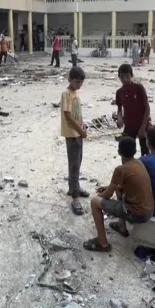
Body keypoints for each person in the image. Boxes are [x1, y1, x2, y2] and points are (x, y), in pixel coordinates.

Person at [83, 136, 154, 251]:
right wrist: (110, 187)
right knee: (119, 189)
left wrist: (99, 196)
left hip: (136, 214)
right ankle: (121, 226)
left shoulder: (120, 169)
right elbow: (126, 185)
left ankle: (102, 243)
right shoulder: (139, 163)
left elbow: (106, 195)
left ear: (119, 152)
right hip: (149, 211)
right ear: (135, 151)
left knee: (94, 202)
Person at [61, 66, 88, 215]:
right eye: (77, 82)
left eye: (81, 83)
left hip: (78, 133)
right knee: (74, 165)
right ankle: (75, 197)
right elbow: (69, 117)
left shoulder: (75, 93)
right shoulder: (66, 94)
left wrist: (83, 127)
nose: (79, 85)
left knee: (78, 162)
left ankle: (74, 187)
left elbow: (77, 115)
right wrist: (80, 130)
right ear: (70, 80)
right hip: (72, 135)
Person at [116, 64, 151, 156]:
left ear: (131, 75)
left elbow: (147, 108)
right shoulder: (119, 92)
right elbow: (119, 109)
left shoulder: (138, 88)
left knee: (145, 153)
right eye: (122, 77)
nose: (124, 79)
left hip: (143, 124)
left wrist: (143, 127)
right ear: (119, 77)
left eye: (127, 76)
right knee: (126, 153)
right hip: (129, 126)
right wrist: (119, 118)